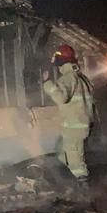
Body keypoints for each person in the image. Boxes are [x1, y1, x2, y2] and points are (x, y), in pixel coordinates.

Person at [42, 44, 96, 180]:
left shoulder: (68, 78)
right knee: (65, 156)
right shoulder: (82, 78)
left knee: (76, 163)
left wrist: (47, 83)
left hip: (75, 127)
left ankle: (84, 188)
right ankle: (70, 183)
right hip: (82, 125)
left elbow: (61, 98)